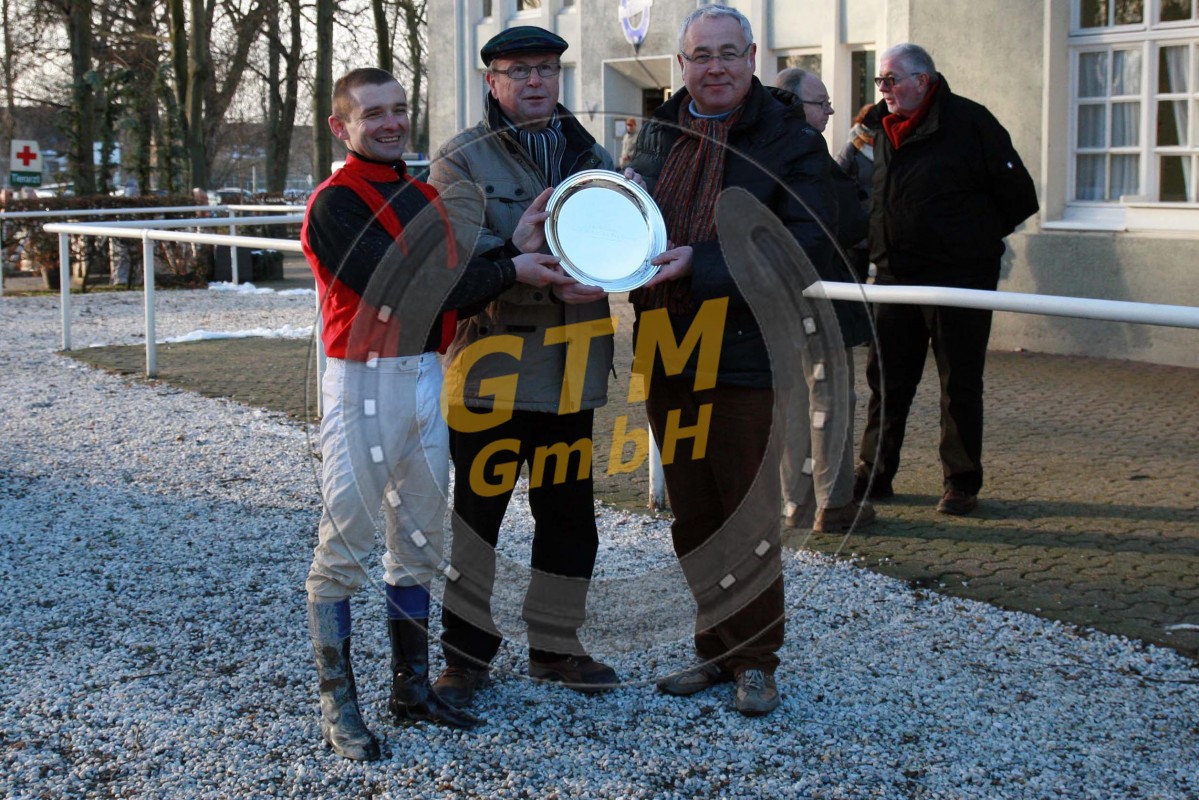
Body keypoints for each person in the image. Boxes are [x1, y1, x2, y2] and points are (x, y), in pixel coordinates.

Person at [302, 67, 572, 760]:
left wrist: (516, 248)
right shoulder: (334, 202)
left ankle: (411, 688)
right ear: (341, 126)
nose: (391, 123)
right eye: (373, 114)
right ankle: (338, 704)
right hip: (363, 382)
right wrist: (511, 268)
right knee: (345, 545)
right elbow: (407, 288)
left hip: (425, 375)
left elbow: (457, 286)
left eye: (398, 109)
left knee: (419, 540)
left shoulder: (423, 195)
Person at [624, 5, 837, 717]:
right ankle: (713, 647)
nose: (714, 67)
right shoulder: (658, 131)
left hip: (745, 348)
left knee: (745, 512)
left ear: (750, 57)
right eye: (700, 55)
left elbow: (806, 241)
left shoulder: (789, 140)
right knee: (693, 511)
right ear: (681, 65)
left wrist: (702, 264)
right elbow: (631, 220)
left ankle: (755, 659)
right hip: (666, 342)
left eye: (727, 53)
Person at [428, 26, 618, 706]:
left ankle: (556, 648)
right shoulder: (459, 160)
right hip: (492, 369)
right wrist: (526, 261)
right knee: (477, 522)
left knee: (568, 517)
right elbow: (456, 255)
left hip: (572, 368)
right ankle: (464, 658)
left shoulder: (591, 155)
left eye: (545, 68)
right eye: (518, 70)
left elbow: (612, 237)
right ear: (492, 81)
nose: (535, 81)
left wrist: (607, 269)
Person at [853, 43, 1038, 515]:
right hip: (894, 278)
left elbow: (1019, 196)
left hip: (958, 279)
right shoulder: (880, 128)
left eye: (891, 80)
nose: (883, 89)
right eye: (880, 80)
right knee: (886, 381)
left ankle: (961, 482)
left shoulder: (970, 123)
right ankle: (874, 474)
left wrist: (967, 245)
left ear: (923, 80)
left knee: (959, 382)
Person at [772, 68, 875, 534]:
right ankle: (833, 503)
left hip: (775, 295)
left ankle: (796, 503)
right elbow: (844, 222)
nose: (830, 111)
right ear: (795, 105)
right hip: (818, 294)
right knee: (830, 397)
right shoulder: (806, 148)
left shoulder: (759, 143)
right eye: (821, 103)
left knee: (793, 398)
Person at [834, 104, 880, 281]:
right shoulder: (852, 148)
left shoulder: (884, 146)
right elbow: (836, 178)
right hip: (859, 219)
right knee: (857, 273)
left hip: (879, 220)